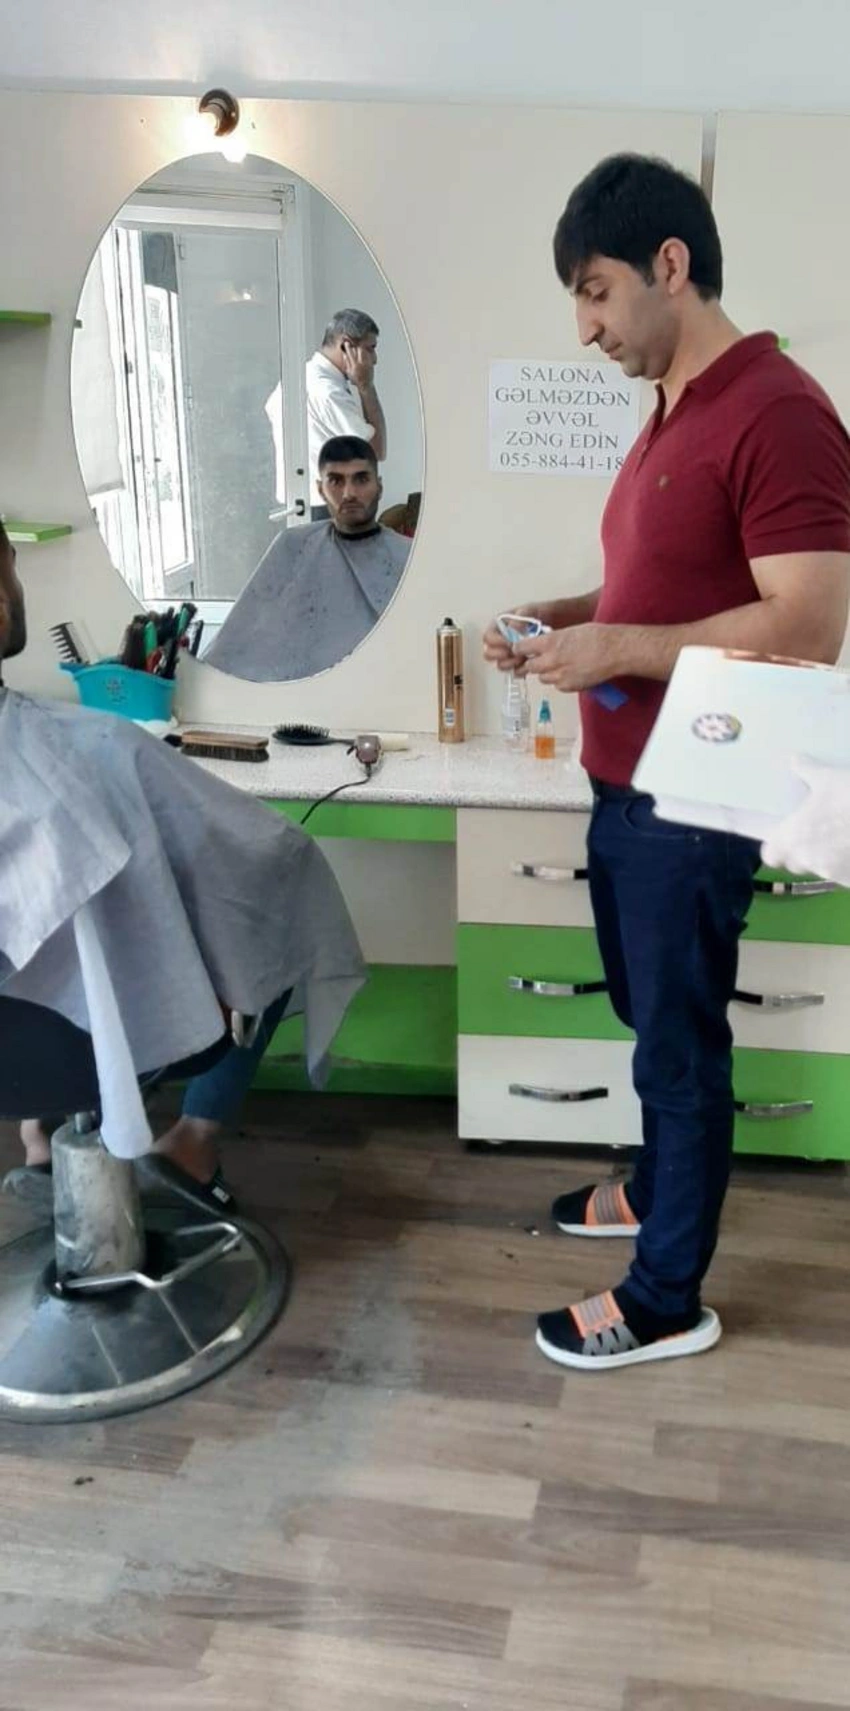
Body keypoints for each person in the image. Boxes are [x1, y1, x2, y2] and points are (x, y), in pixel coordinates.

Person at [483, 153, 850, 1373]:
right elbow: (660, 591)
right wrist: (566, 617)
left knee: (680, 1050)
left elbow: (807, 626)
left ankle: (663, 1297)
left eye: (594, 292)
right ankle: (653, 1187)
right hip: (625, 783)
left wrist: (618, 647)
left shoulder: (779, 411)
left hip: (692, 799)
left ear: (669, 266)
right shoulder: (673, 414)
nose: (584, 327)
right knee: (648, 1018)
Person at [0, 520, 365, 1213]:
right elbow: (268, 858)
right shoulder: (96, 744)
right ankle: (194, 1140)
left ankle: (37, 1133)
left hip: (18, 1047)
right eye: (12, 566)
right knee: (281, 888)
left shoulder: (72, 743)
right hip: (79, 1041)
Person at [205, 437, 409, 682]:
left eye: (361, 479)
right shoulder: (293, 546)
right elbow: (235, 648)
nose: (349, 493)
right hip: (298, 693)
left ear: (379, 486)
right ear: (320, 489)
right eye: (336, 481)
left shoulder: (407, 555)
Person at [266, 309, 387, 520]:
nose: (374, 359)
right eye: (371, 348)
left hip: (299, 506)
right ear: (346, 345)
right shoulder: (329, 392)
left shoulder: (294, 380)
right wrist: (366, 386)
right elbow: (377, 451)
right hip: (325, 509)